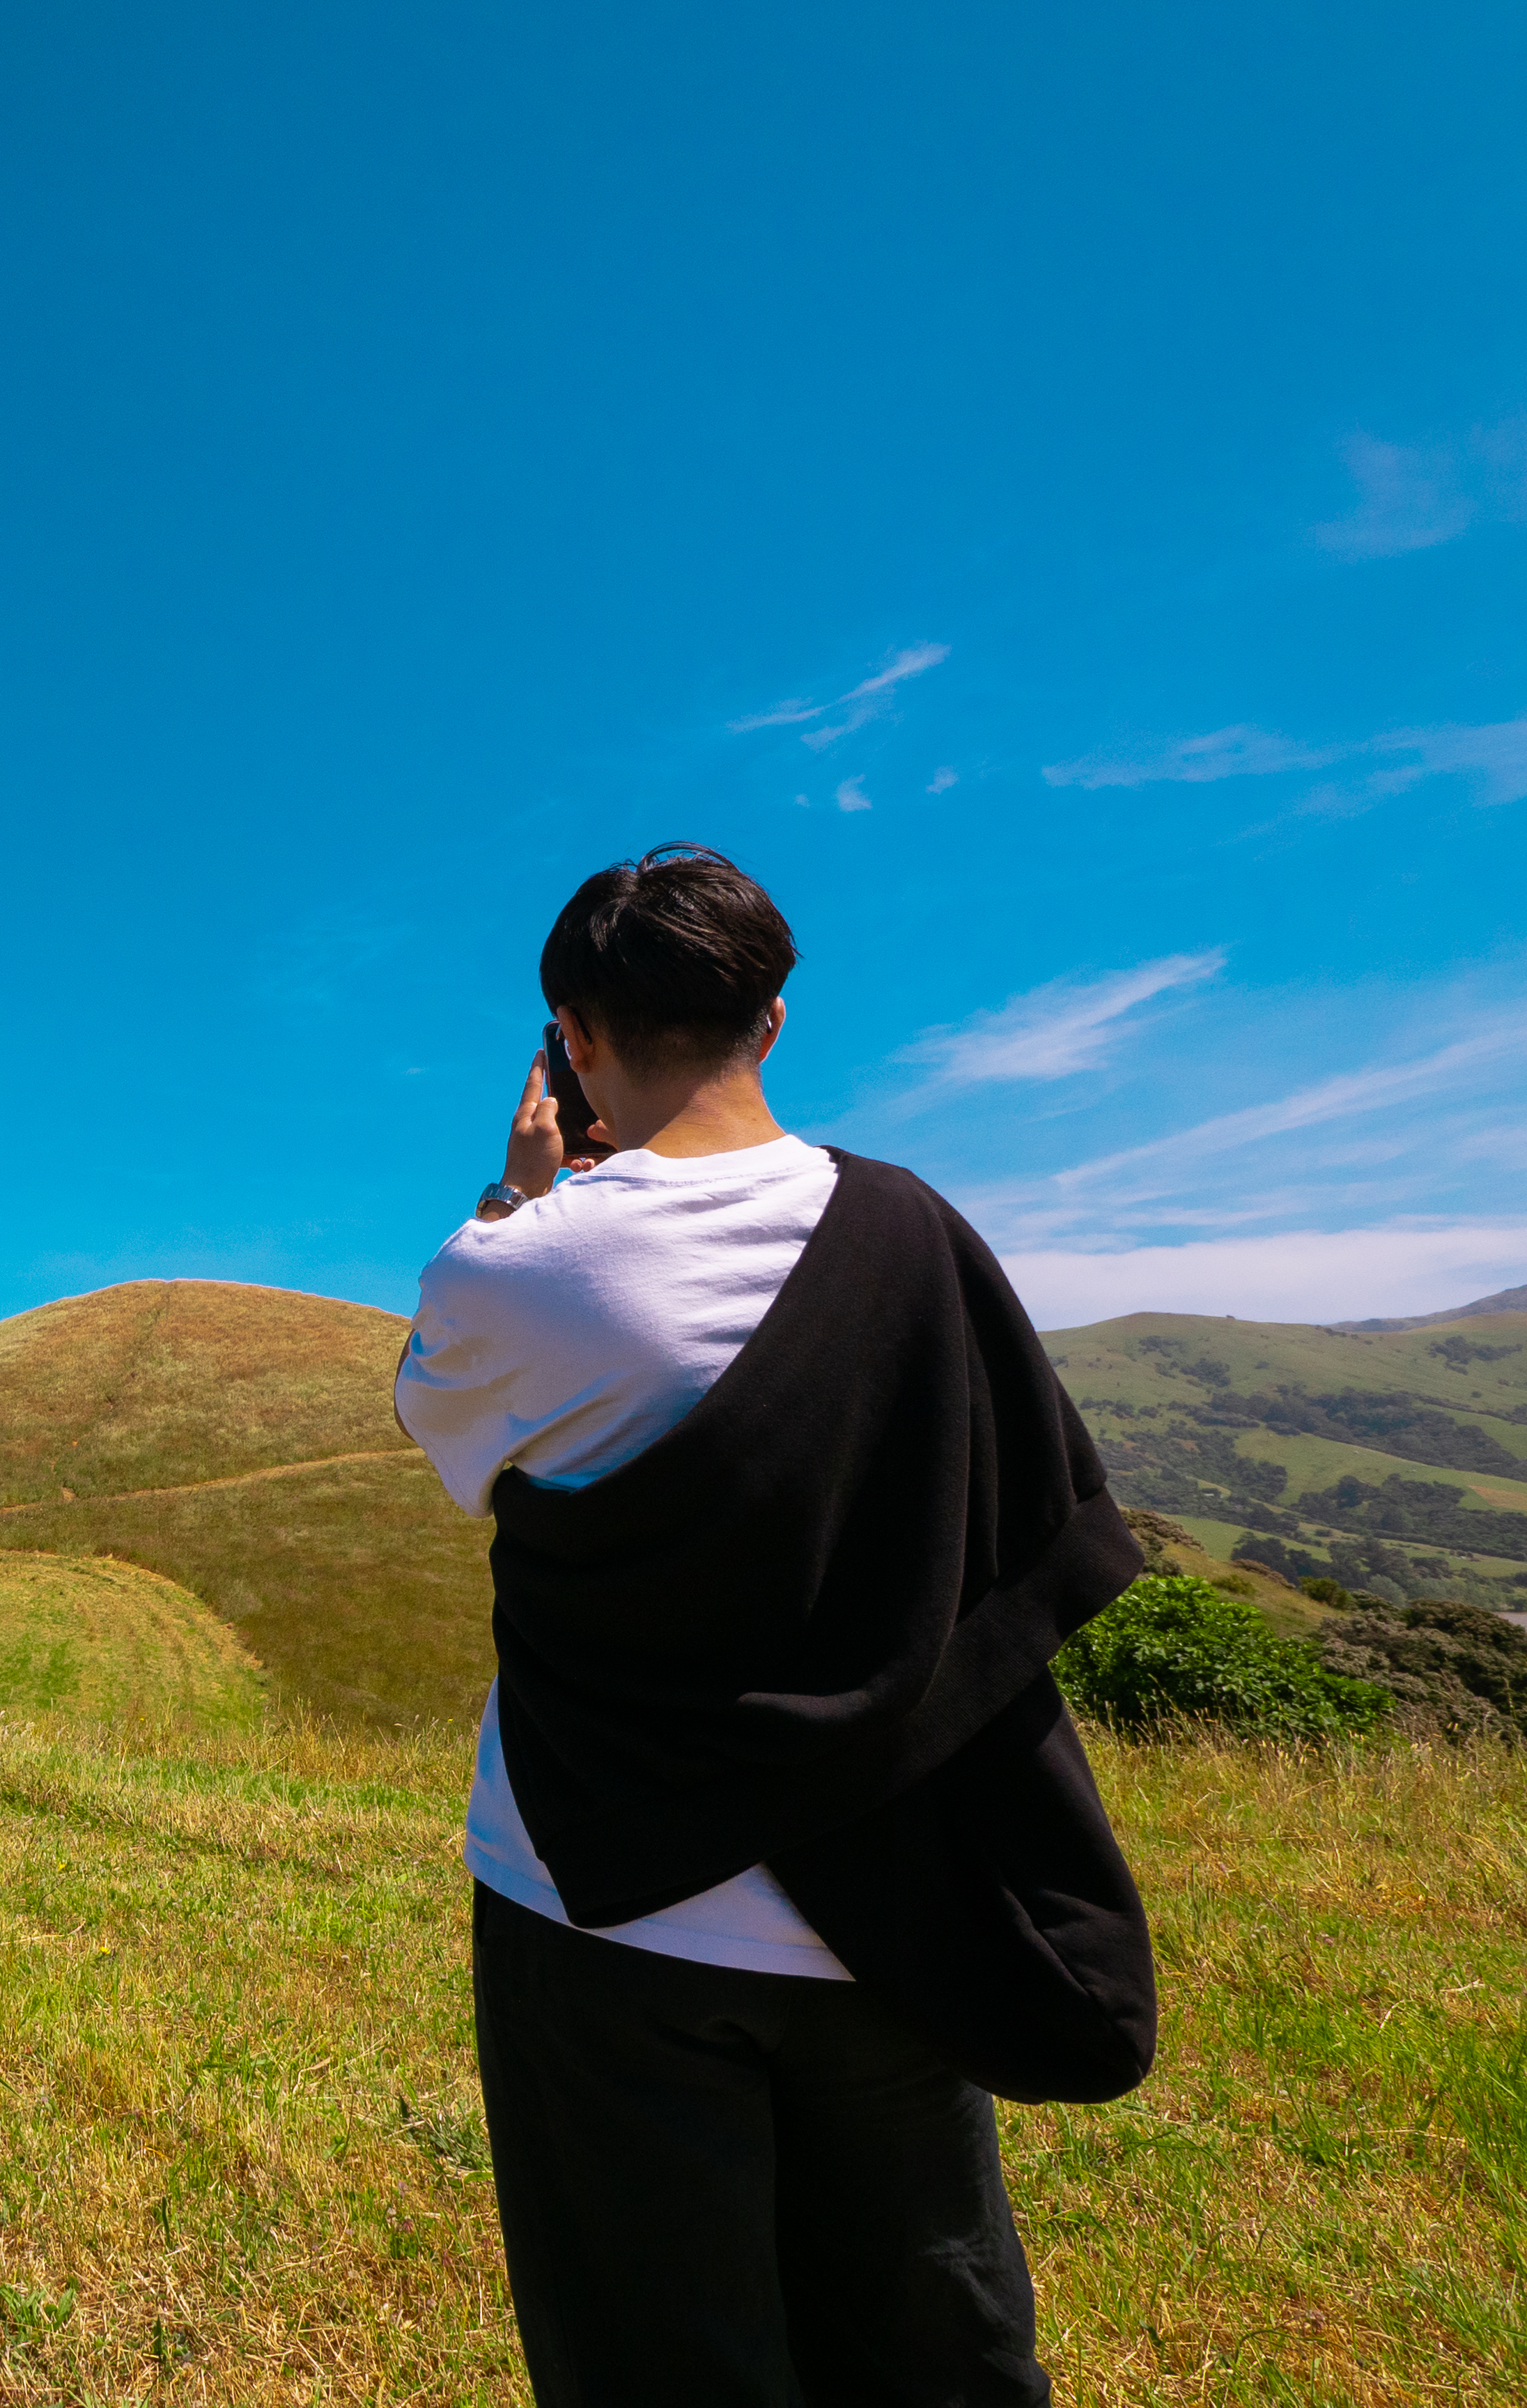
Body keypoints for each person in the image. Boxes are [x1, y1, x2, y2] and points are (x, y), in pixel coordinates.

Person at [393, 844, 1158, 2408]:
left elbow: (446, 1441)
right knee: (934, 2344)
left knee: (653, 2355)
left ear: (569, 1041)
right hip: (892, 1890)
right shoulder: (916, 1234)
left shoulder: (506, 1273)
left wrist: (522, 1196)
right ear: (774, 1018)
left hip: (594, 1898)